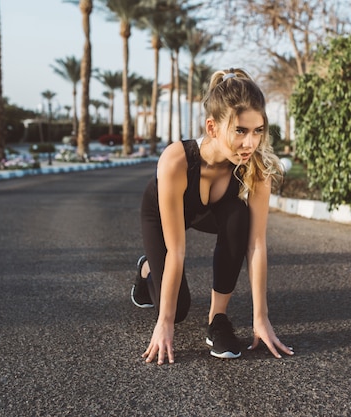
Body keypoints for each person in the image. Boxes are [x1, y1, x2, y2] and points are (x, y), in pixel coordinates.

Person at [132, 68, 294, 365]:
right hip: (162, 212)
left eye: (257, 131)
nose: (250, 143)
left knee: (238, 216)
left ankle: (217, 318)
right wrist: (164, 323)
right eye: (240, 131)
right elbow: (177, 251)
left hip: (210, 211)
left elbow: (256, 245)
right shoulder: (176, 159)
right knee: (177, 310)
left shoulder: (256, 168)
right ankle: (146, 272)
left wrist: (261, 318)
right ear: (212, 127)